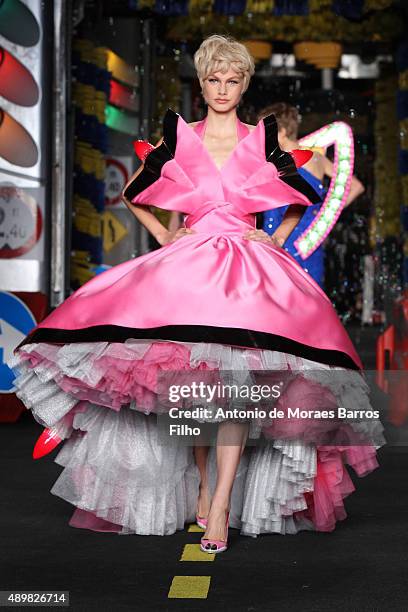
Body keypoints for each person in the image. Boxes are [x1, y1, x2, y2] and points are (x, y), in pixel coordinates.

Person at [8, 34, 384, 555]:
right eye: (213, 79)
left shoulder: (262, 141)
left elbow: (303, 193)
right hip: (188, 272)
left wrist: (274, 238)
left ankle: (222, 502)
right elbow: (135, 191)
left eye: (232, 79)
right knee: (197, 395)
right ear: (203, 82)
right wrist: (165, 235)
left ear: (244, 83)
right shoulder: (181, 139)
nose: (223, 88)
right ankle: (207, 486)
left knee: (233, 394)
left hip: (248, 276)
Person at [259, 103, 365, 289]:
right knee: (309, 306)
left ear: (281, 132)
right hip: (309, 245)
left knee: (279, 309)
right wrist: (323, 214)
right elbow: (356, 186)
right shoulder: (317, 158)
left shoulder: (278, 163)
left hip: (279, 243)